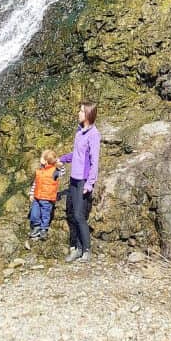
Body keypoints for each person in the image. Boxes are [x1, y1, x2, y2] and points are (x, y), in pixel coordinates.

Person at [58, 101, 100, 262]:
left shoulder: (94, 134)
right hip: (74, 179)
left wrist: (90, 184)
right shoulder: (78, 132)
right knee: (72, 215)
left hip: (83, 180)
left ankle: (86, 250)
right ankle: (76, 248)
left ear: (88, 114)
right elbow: (76, 154)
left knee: (78, 215)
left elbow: (94, 161)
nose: (78, 113)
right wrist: (61, 159)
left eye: (81, 111)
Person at [28, 149, 61, 240]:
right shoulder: (39, 170)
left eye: (42, 157)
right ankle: (37, 226)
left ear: (46, 160)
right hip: (37, 197)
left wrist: (58, 163)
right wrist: (31, 193)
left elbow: (62, 172)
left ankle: (43, 229)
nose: (40, 159)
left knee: (45, 214)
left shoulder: (54, 170)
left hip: (47, 198)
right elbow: (35, 183)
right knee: (34, 214)